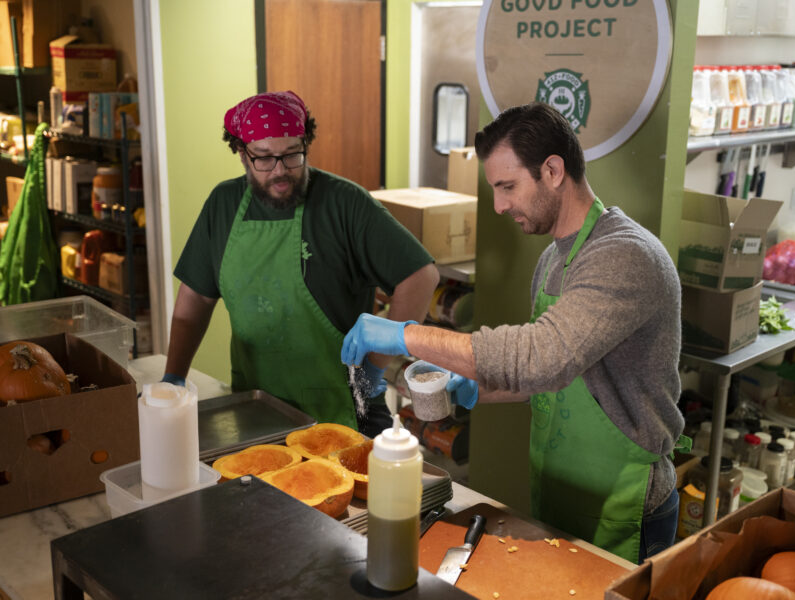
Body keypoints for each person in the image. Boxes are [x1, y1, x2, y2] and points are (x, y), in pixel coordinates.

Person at [341, 102, 689, 564]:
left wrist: (405, 334)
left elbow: (542, 357)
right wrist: (475, 387)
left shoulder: (624, 255)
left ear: (553, 171)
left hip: (625, 505)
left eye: (508, 187)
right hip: (560, 486)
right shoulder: (552, 260)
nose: (500, 206)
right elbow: (551, 376)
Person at [164, 90, 439, 438]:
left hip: (342, 409)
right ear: (242, 154)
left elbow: (421, 276)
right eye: (264, 158)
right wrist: (173, 378)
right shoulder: (223, 204)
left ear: (305, 144)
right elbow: (195, 301)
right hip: (258, 409)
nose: (280, 171)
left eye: (292, 154)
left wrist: (375, 364)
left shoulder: (344, 204)